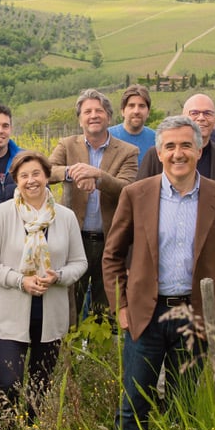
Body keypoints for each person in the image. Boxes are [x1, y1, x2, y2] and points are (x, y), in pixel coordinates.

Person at [103, 116, 215, 430]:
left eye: (185, 146)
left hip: (195, 317)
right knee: (135, 400)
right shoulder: (137, 194)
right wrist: (121, 306)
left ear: (198, 149)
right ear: (159, 152)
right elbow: (113, 255)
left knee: (185, 402)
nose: (178, 153)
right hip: (145, 315)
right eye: (170, 146)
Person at [0, 151, 88, 428]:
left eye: (36, 174)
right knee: (9, 382)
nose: (31, 181)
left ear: (47, 176)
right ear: (16, 180)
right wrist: (19, 280)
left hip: (50, 314)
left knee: (40, 384)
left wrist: (59, 276)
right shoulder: (3, 214)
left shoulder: (65, 216)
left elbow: (80, 262)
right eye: (24, 176)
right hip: (11, 312)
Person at [49, 89, 138, 320]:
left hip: (110, 238)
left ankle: (99, 352)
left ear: (109, 116)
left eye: (99, 110)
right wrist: (72, 171)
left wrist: (97, 176)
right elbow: (47, 171)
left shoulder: (128, 151)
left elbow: (127, 187)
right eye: (87, 111)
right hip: (74, 238)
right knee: (71, 299)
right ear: (80, 119)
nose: (93, 115)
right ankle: (70, 350)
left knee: (105, 303)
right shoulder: (67, 145)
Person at [138, 93, 215, 190]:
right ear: (182, 118)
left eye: (207, 113)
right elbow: (140, 195)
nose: (201, 118)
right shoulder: (155, 155)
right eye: (194, 113)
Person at [108, 83, 156, 165]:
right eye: (131, 106)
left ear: (148, 112)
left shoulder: (157, 139)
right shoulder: (107, 137)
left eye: (141, 106)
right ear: (122, 111)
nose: (136, 111)